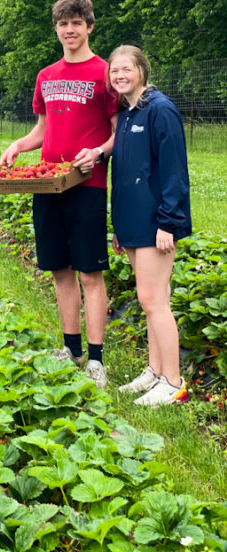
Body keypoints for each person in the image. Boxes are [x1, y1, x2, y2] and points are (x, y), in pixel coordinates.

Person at [0, 0, 118, 388]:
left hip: (87, 184)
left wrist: (97, 154)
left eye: (76, 23)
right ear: (57, 29)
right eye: (63, 24)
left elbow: (120, 134)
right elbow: (42, 130)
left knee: (90, 272)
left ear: (89, 27)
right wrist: (18, 145)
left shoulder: (105, 73)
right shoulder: (46, 75)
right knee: (60, 270)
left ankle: (97, 359)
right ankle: (70, 348)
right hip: (48, 184)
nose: (69, 30)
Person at [109, 45, 190, 406]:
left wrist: (168, 223)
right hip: (132, 221)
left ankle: (173, 384)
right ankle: (155, 371)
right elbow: (125, 173)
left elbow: (174, 171)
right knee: (151, 300)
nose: (120, 76)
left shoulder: (161, 110)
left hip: (157, 223)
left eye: (126, 69)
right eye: (114, 71)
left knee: (152, 299)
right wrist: (118, 225)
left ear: (142, 69)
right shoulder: (125, 114)